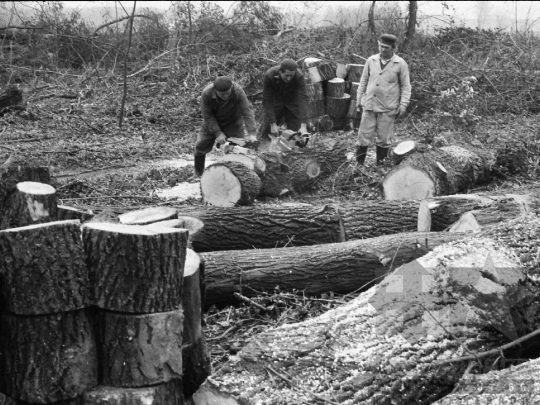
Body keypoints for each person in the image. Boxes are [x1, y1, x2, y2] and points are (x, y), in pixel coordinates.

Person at [355, 34, 411, 165]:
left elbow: (406, 86)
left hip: (388, 107)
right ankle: (359, 166)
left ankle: (379, 166)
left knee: (384, 139)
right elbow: (363, 81)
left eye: (386, 47)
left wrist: (403, 105)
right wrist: (358, 100)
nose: (383, 50)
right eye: (381, 46)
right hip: (369, 104)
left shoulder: (400, 64)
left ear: (393, 48)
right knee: (363, 136)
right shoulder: (371, 60)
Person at [194, 76, 258, 176]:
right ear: (215, 91)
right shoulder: (207, 93)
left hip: (234, 122)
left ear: (231, 87)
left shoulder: (238, 91)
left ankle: (236, 176)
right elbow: (208, 116)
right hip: (212, 121)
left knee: (237, 149)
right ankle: (198, 174)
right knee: (201, 146)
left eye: (228, 93)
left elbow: (247, 111)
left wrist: (252, 133)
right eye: (222, 94)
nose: (226, 96)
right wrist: (218, 133)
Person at [259, 58, 309, 149]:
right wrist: (272, 124)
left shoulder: (299, 76)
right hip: (275, 102)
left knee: (296, 134)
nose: (289, 78)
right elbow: (267, 100)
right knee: (267, 130)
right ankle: (263, 150)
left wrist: (303, 125)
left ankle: (294, 153)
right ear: (280, 72)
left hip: (292, 103)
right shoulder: (270, 75)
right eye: (287, 75)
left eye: (291, 76)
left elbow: (303, 98)